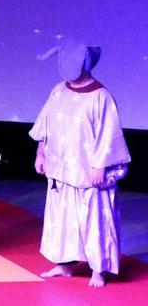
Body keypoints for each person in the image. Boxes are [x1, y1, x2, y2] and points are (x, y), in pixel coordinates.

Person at [30, 38, 131, 287]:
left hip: (88, 171)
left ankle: (99, 268)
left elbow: (109, 133)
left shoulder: (101, 97)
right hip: (60, 168)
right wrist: (41, 152)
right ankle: (64, 264)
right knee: (63, 220)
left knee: (94, 220)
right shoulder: (58, 90)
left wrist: (100, 165)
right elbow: (45, 124)